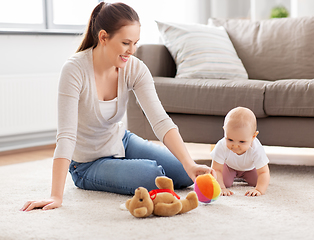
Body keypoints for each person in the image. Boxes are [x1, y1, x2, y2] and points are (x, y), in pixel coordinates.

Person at [21, 2, 214, 212]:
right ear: (103, 37)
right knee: (153, 175)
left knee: (183, 171)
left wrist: (189, 163)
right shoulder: (74, 70)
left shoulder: (134, 68)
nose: (132, 51)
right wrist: (55, 196)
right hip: (87, 163)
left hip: (121, 141)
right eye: (126, 43)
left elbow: (160, 120)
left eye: (136, 43)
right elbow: (66, 135)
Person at [210, 107, 270, 197]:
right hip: (229, 167)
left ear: (253, 136)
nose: (235, 146)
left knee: (258, 181)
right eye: (230, 139)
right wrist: (222, 188)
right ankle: (232, 176)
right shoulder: (221, 145)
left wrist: (259, 190)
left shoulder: (256, 148)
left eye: (242, 142)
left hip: (249, 169)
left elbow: (263, 172)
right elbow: (216, 169)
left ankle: (243, 177)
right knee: (224, 182)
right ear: (224, 131)